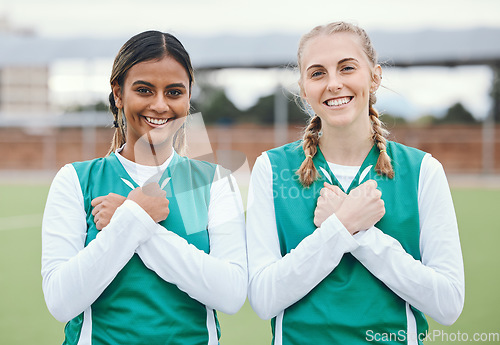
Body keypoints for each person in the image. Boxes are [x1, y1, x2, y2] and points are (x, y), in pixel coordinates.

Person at [246, 22, 464, 345]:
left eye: (347, 68)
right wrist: (343, 226)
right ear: (303, 89)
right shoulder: (271, 169)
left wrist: (362, 235)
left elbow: (448, 303)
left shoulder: (423, 171)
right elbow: (264, 298)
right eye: (318, 73)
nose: (334, 83)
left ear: (375, 76)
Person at [41, 30, 247, 345]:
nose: (160, 105)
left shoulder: (214, 182)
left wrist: (132, 219)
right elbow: (61, 300)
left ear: (189, 96)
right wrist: (135, 219)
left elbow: (230, 294)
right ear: (119, 94)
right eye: (144, 90)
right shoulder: (75, 179)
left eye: (174, 92)